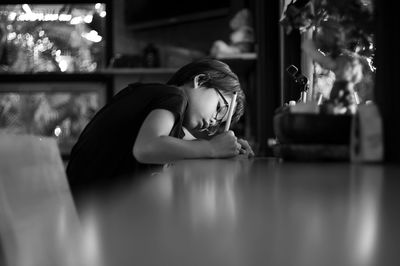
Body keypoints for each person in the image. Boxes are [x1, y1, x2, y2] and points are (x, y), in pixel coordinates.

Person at [66, 58, 254, 187]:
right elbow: (146, 148)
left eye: (219, 123)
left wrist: (227, 149)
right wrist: (212, 148)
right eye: (220, 108)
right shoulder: (173, 95)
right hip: (92, 210)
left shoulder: (169, 115)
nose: (213, 122)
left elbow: (186, 144)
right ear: (201, 81)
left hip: (98, 205)